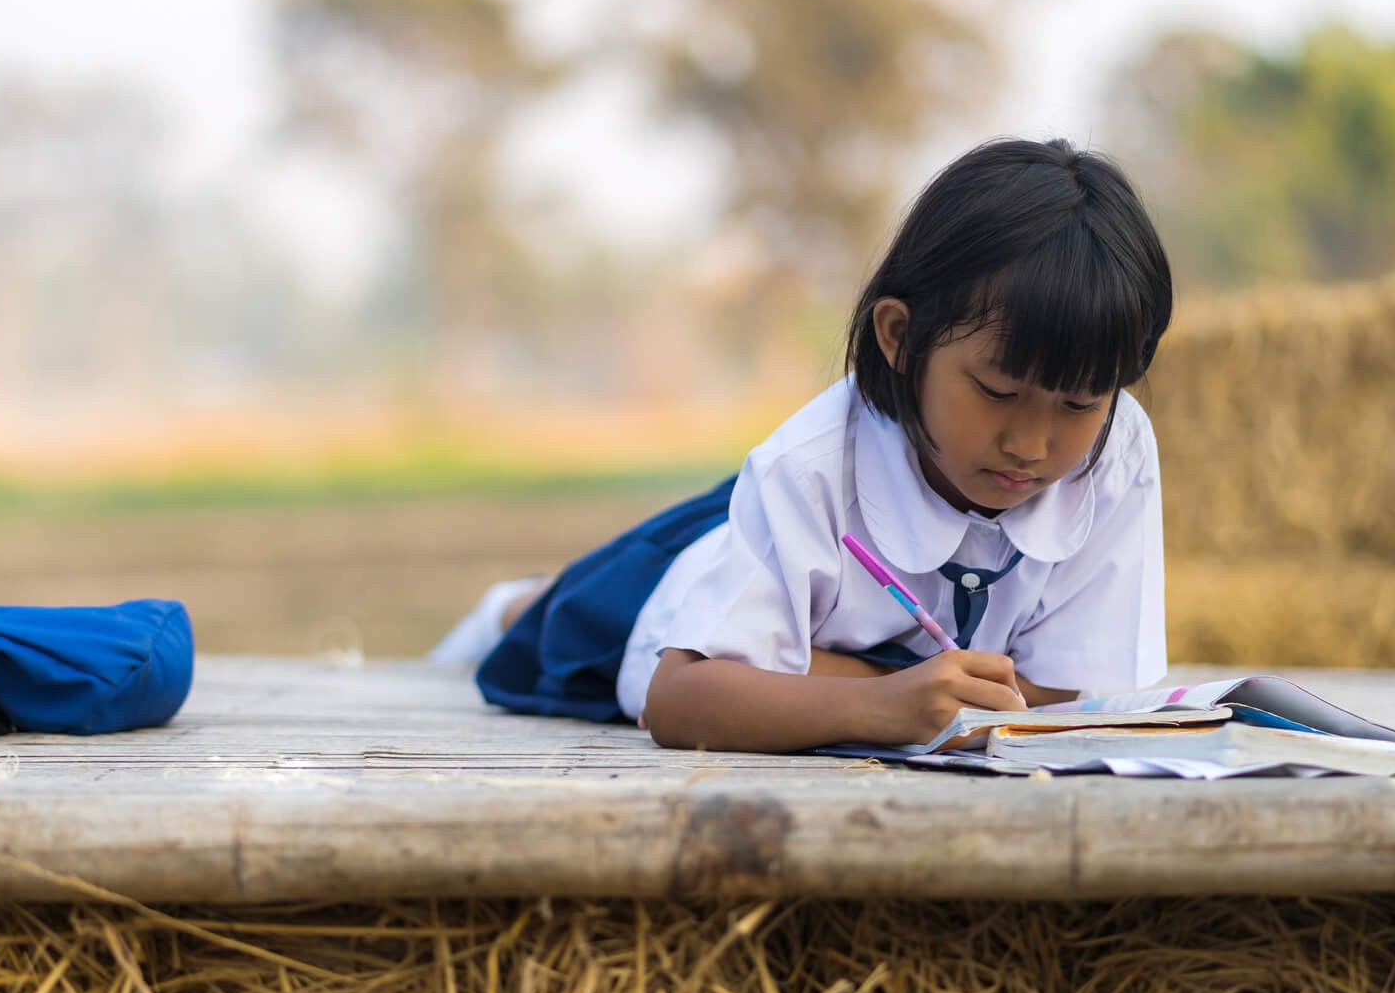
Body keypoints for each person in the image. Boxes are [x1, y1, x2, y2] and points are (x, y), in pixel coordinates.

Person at [430, 137, 1173, 752]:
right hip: (680, 595)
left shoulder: (1118, 450)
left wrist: (823, 676)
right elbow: (681, 697)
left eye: (1077, 402)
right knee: (564, 622)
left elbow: (1073, 691)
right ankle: (511, 603)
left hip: (794, 581)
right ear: (898, 337)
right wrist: (883, 703)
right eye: (997, 393)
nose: (1030, 444)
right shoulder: (807, 466)